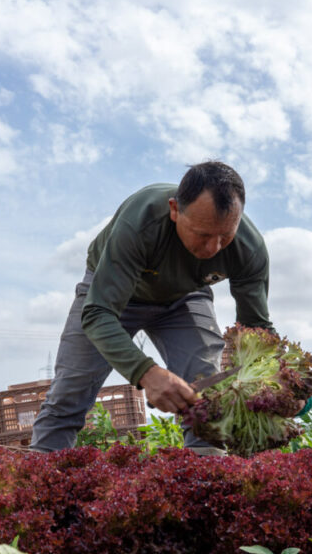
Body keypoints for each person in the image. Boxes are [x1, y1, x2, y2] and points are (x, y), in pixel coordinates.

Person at [29, 161, 273, 454]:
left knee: (208, 398)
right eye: (202, 234)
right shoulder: (141, 221)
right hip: (112, 295)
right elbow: (98, 313)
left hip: (185, 297)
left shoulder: (250, 249)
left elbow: (256, 333)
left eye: (225, 236)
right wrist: (146, 372)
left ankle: (205, 484)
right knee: (69, 393)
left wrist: (288, 387)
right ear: (174, 210)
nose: (213, 249)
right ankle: (41, 481)